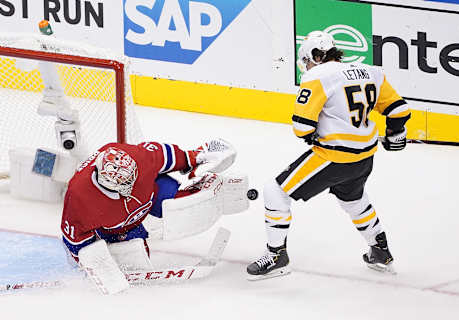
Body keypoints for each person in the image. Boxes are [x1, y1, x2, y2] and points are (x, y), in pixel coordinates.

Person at [247, 30, 411, 279]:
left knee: (275, 191)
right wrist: (395, 132)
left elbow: (302, 126)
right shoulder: (371, 71)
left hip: (334, 157)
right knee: (354, 200)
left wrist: (311, 135)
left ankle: (276, 255)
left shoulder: (318, 76)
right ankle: (380, 250)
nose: (307, 66)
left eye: (308, 61)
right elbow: (399, 109)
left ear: (315, 56)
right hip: (364, 157)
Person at [61, 138, 236, 290]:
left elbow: (165, 156)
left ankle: (208, 191)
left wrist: (194, 156)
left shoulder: (136, 157)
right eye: (124, 182)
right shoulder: (80, 198)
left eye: (131, 177)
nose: (131, 183)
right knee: (134, 262)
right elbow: (74, 239)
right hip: (119, 227)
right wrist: (91, 266)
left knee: (183, 207)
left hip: (153, 193)